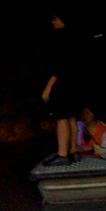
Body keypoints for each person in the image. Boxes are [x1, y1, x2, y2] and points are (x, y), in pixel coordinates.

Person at [41, 12, 81, 166]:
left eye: (55, 18)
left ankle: (63, 154)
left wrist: (48, 87)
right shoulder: (73, 36)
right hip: (73, 83)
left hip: (62, 84)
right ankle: (73, 152)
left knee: (62, 118)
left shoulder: (62, 38)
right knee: (71, 116)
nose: (53, 21)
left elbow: (59, 67)